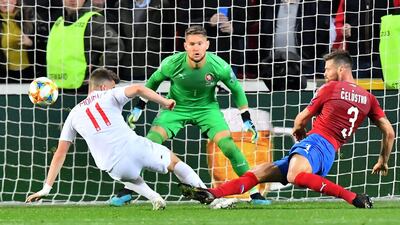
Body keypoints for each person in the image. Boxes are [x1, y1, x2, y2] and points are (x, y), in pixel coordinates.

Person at [179, 50, 395, 208]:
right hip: (328, 151)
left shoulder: (330, 88)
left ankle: (353, 197)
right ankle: (211, 193)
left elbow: (300, 120)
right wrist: (383, 160)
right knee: (258, 173)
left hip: (316, 142)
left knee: (294, 175)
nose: (325, 73)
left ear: (341, 69)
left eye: (328, 69)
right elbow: (389, 132)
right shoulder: (369, 98)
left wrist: (299, 133)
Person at [110, 25, 270, 206]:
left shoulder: (219, 66)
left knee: (229, 147)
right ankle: (128, 190)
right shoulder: (171, 63)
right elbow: (152, 82)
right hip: (176, 108)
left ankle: (255, 193)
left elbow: (236, 89)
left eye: (199, 43)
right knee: (149, 143)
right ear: (185, 45)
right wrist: (139, 107)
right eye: (192, 44)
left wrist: (246, 118)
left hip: (207, 110)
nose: (196, 48)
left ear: (207, 45)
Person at [25, 68, 206, 210]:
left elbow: (60, 153)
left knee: (130, 179)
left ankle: (155, 198)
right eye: (112, 86)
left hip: (115, 167)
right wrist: (165, 102)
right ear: (103, 87)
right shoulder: (108, 94)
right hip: (135, 148)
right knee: (174, 163)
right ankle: (209, 195)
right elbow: (138, 89)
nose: (114, 89)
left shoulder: (73, 115)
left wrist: (46, 188)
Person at [46, 0, 123, 91]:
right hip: (56, 87)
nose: (72, 0)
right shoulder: (57, 21)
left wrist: (98, 74)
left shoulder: (92, 21)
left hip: (83, 89)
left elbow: (116, 46)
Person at [0, 0, 47, 83]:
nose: (4, 2)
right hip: (3, 71)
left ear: (15, 1)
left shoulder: (29, 13)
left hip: (29, 69)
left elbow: (45, 38)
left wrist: (31, 42)